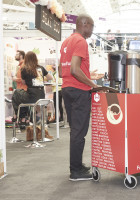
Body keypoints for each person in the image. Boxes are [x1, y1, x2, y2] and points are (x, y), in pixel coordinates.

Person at [59, 14, 98, 181]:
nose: (92, 30)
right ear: (85, 24)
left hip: (67, 89)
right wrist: (93, 84)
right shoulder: (81, 41)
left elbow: (62, 71)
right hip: (79, 91)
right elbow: (75, 69)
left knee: (74, 131)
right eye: (92, 26)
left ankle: (77, 166)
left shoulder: (66, 42)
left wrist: (88, 74)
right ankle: (76, 171)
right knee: (79, 132)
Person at [11, 51, 53, 129]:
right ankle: (23, 118)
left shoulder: (24, 69)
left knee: (16, 93)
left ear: (26, 59)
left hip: (31, 96)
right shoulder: (41, 68)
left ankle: (20, 117)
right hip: (41, 96)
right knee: (21, 97)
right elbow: (51, 77)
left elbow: (23, 82)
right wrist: (41, 79)